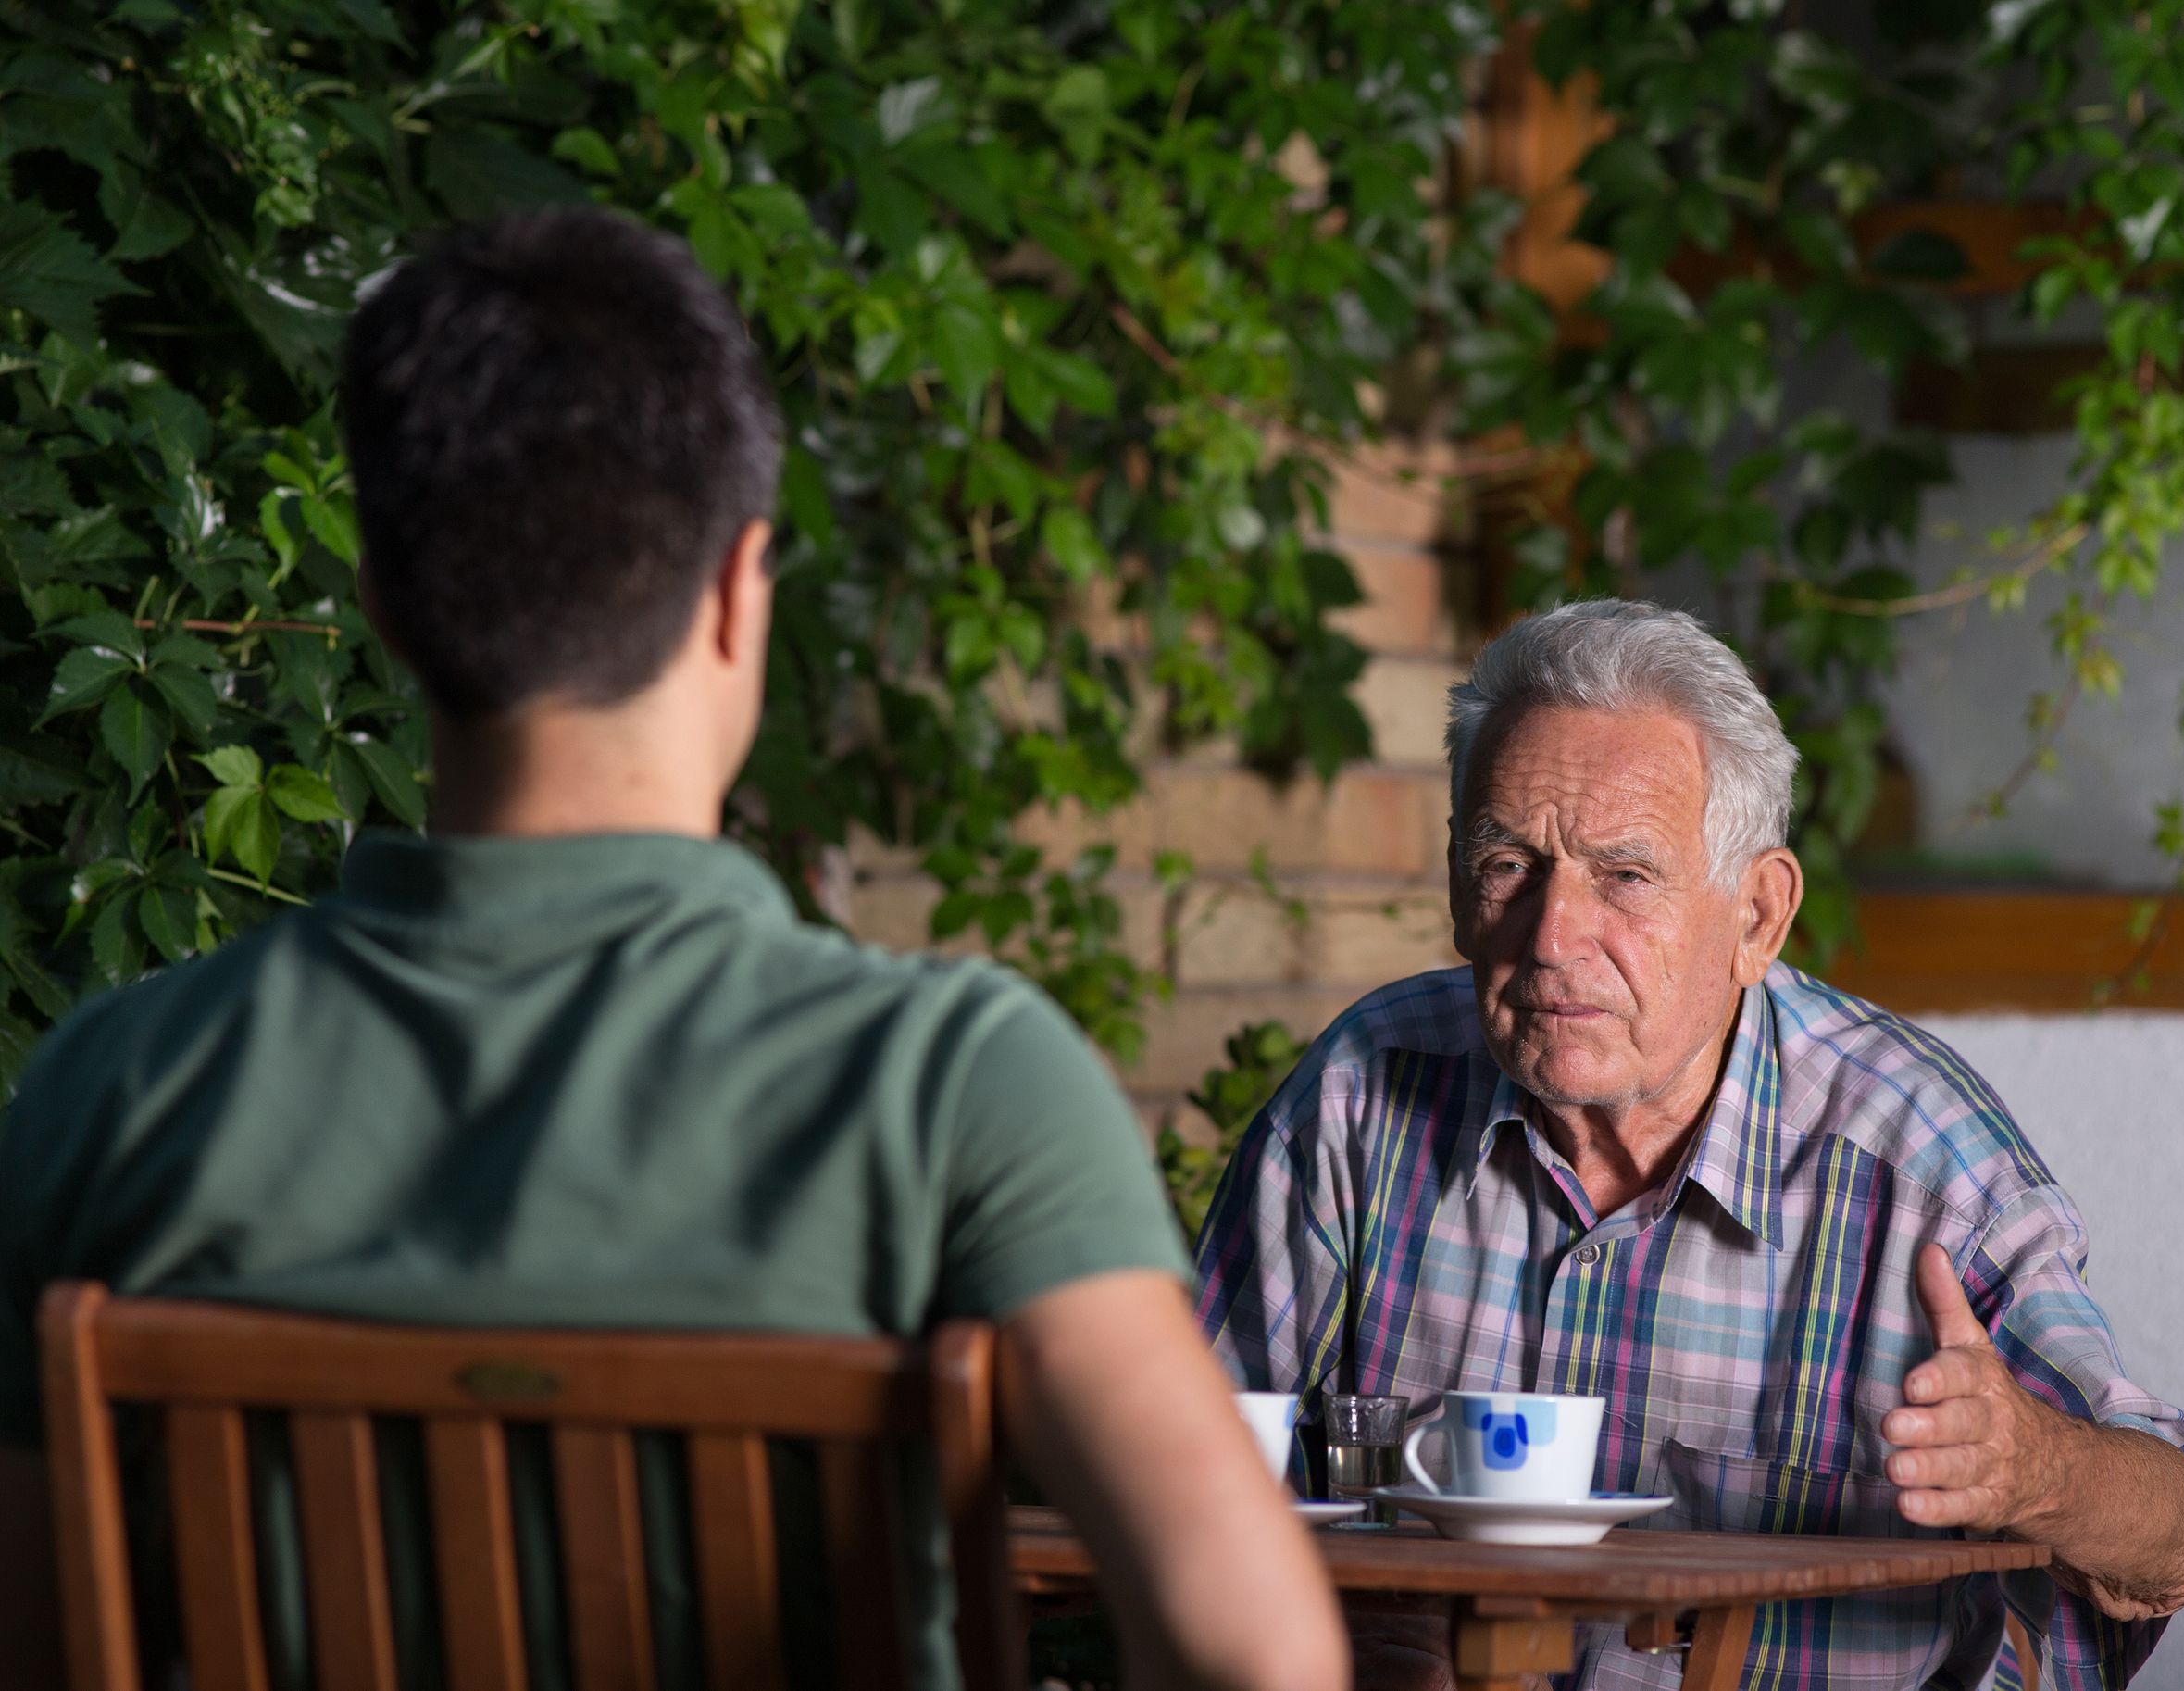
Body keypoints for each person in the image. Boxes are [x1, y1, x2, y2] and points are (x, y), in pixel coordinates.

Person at [0, 207, 1344, 1691]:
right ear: (734, 590)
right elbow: (1254, 1653)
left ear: (379, 601)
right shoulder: (954, 1087)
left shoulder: (108, 1092)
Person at [1195, 599, 2184, 1689]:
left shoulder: (1917, 1166)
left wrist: (2034, 1465)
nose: (1550, 934)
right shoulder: (1359, 1098)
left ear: (1757, 917)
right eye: (1506, 864)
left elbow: (2171, 1535)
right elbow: (1174, 1477)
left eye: (1624, 877)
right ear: (1454, 881)